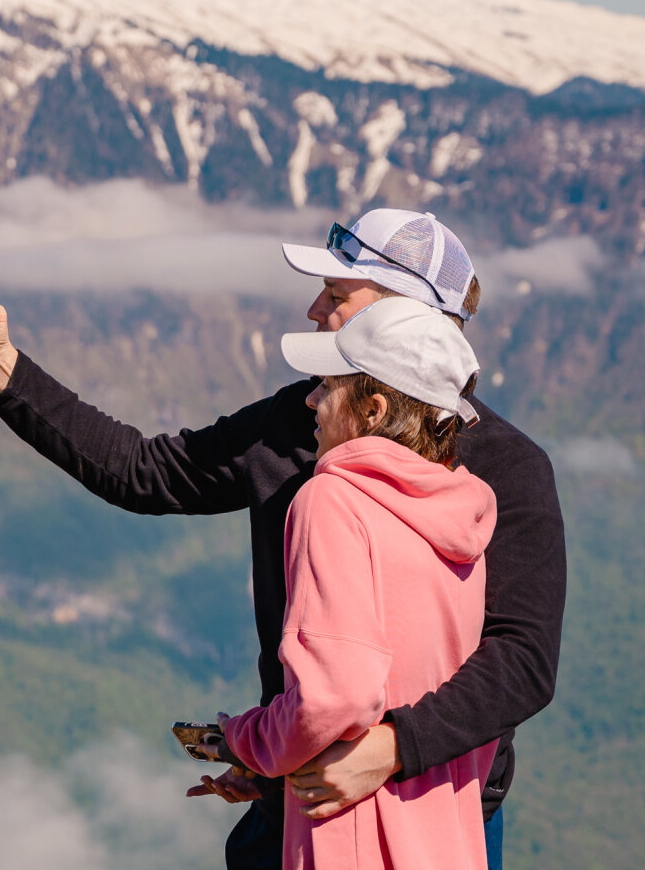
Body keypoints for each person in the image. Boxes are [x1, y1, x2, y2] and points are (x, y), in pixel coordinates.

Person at [0, 208, 566, 870]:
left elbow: (522, 659)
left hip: (434, 806)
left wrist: (389, 750)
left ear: (404, 315)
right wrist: (2, 364)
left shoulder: (507, 469)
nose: (314, 308)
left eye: (336, 294)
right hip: (296, 799)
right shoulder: (297, 420)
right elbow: (145, 471)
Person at [217, 295, 498, 869]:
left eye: (327, 386)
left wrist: (246, 739)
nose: (311, 400)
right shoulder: (464, 515)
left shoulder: (333, 500)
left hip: (357, 841)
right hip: (449, 840)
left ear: (372, 411)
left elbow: (334, 698)